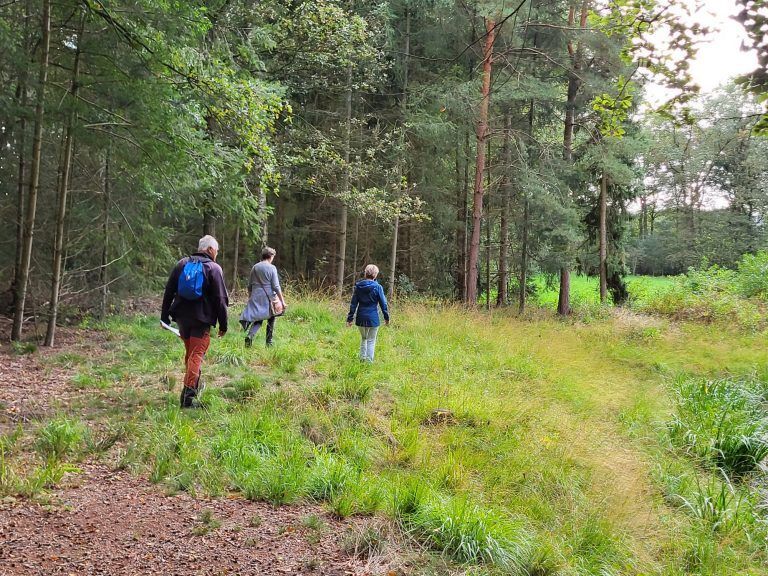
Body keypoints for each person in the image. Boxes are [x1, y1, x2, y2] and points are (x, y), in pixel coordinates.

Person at [161, 235, 229, 408]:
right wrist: (223, 324)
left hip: (182, 319)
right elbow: (220, 299)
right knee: (196, 356)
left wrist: (164, 316)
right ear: (210, 250)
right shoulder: (213, 268)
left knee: (191, 354)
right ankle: (188, 398)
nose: (217, 254)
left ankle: (193, 385)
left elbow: (169, 291)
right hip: (201, 319)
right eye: (217, 251)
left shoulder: (182, 264)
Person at [240, 246, 287, 347]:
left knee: (258, 319)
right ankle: (268, 342)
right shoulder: (272, 268)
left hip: (256, 296)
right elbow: (276, 286)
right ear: (270, 256)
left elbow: (249, 285)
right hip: (269, 298)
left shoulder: (255, 267)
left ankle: (250, 336)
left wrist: (250, 297)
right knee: (271, 318)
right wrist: (282, 301)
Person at [346, 264, 389, 362]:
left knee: (364, 338)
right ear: (375, 275)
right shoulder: (378, 287)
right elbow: (383, 304)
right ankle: (369, 363)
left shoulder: (358, 286)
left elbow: (353, 304)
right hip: (373, 318)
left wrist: (350, 318)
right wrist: (386, 317)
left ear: (365, 273)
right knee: (371, 340)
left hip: (360, 318)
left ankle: (362, 359)